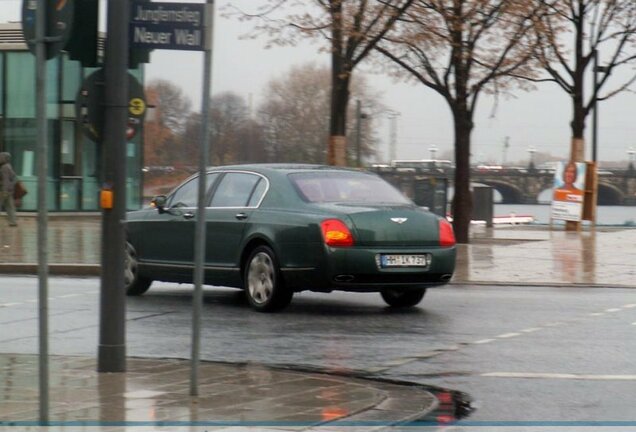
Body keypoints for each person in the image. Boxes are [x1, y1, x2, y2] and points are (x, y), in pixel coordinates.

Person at [0, 152, 18, 226]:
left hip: (4, 190)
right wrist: (11, 187)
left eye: (1, 157)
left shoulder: (4, 167)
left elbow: (6, 180)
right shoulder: (8, 166)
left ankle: (13, 222)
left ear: (5, 158)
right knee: (10, 206)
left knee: (8, 206)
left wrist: (5, 189)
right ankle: (13, 222)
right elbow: (14, 177)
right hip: (9, 190)